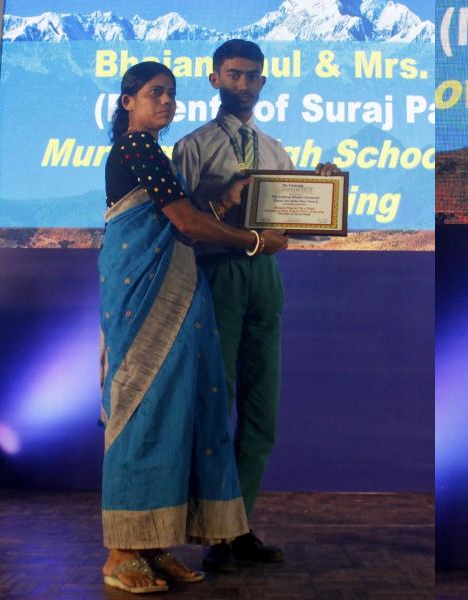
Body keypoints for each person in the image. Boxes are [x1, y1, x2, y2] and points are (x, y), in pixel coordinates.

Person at [99, 61, 288, 594]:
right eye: (154, 93)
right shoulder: (137, 147)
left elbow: (177, 211)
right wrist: (249, 240)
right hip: (144, 296)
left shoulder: (153, 152)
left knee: (175, 412)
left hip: (173, 295)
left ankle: (154, 546)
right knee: (143, 410)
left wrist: (227, 199)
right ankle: (120, 554)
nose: (165, 102)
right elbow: (181, 222)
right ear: (127, 100)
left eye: (171, 94)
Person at [172, 39, 341, 572]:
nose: (242, 84)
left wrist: (324, 195)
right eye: (233, 75)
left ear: (263, 83)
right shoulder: (192, 147)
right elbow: (176, 225)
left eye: (251, 76)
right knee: (215, 412)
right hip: (216, 278)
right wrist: (221, 207)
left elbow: (294, 230)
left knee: (262, 415)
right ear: (215, 78)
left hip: (264, 282)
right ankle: (214, 533)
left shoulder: (274, 150)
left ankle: (239, 526)